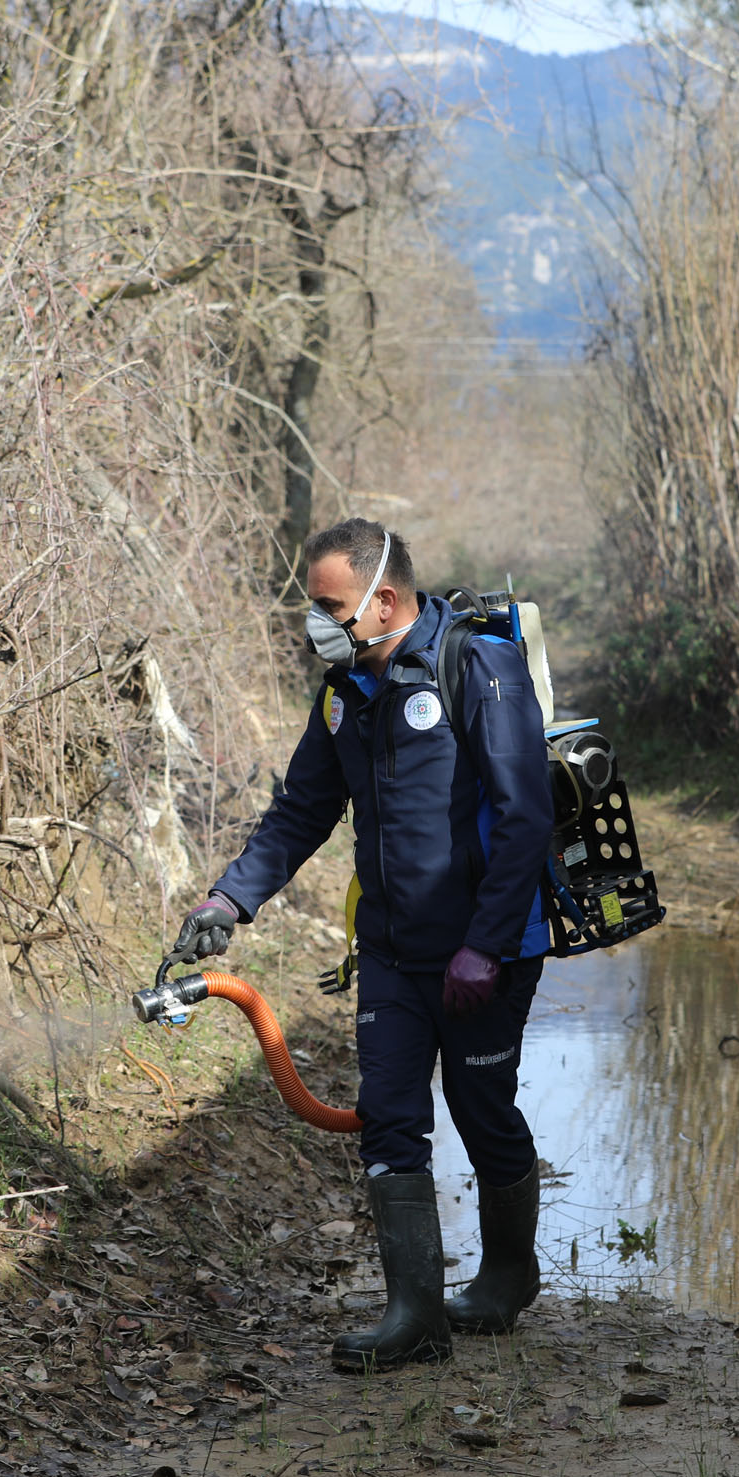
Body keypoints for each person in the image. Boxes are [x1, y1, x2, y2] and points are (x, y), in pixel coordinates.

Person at [169, 519, 554, 1371]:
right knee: (390, 1118)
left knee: (482, 1111)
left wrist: (485, 947)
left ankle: (506, 1276)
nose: (316, 623)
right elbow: (303, 809)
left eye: (327, 605)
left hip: (484, 951)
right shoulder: (345, 692)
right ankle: (414, 1313)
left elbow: (529, 818)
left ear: (384, 600)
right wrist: (229, 898)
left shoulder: (477, 667)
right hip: (389, 948)